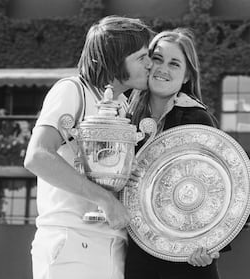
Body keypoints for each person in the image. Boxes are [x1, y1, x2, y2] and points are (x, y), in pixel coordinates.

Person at [24, 16, 154, 279]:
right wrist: (104, 199)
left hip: (112, 245)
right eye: (141, 57)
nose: (150, 65)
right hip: (71, 240)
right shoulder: (72, 90)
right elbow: (37, 156)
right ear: (115, 58)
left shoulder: (124, 108)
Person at [126, 28, 229, 279]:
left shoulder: (197, 118)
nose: (163, 69)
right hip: (138, 254)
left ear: (186, 76)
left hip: (187, 260)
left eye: (174, 64)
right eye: (158, 59)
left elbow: (223, 185)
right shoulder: (122, 114)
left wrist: (211, 245)